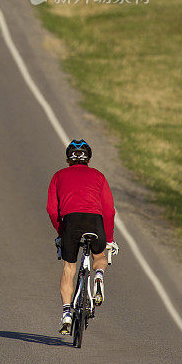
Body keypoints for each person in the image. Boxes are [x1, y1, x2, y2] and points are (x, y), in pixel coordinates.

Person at [46, 139, 117, 334]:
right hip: (95, 221)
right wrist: (108, 239)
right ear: (89, 158)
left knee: (69, 267)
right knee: (99, 256)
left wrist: (62, 232)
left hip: (70, 222)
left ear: (68, 158)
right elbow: (109, 211)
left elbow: (52, 210)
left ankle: (67, 313)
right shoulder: (98, 176)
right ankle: (99, 278)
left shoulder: (58, 176)